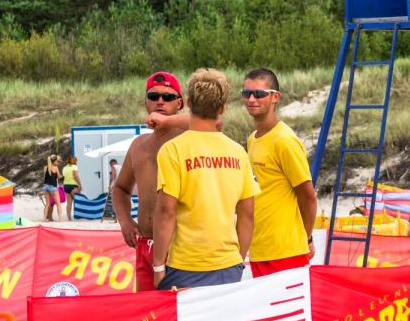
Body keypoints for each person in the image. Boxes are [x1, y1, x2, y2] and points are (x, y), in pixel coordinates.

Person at [153, 68, 260, 290]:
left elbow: (166, 213)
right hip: (228, 264)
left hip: (185, 266)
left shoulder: (172, 150)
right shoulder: (238, 152)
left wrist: (158, 267)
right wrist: (238, 260)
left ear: (188, 102)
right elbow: (247, 214)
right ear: (222, 109)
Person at [112, 72, 190, 292]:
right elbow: (120, 189)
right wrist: (125, 220)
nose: (160, 101)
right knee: (148, 309)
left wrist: (166, 121)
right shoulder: (139, 145)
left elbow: (215, 123)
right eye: (154, 96)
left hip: (180, 246)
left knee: (178, 309)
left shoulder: (190, 136)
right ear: (145, 102)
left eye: (168, 97)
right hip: (145, 244)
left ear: (180, 103)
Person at [241, 69, 317, 275]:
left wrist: (306, 238)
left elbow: (308, 196)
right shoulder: (253, 139)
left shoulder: (285, 141)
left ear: (275, 97)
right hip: (260, 249)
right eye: (246, 93)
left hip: (286, 252)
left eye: (259, 93)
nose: (251, 99)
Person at [42, 154, 64, 222]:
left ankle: (44, 219)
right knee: (58, 204)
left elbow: (44, 177)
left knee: (47, 204)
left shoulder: (45, 167)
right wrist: (62, 177)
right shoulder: (56, 168)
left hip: (45, 186)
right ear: (54, 161)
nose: (58, 163)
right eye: (58, 161)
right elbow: (59, 177)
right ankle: (60, 219)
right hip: (52, 187)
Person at [62, 155, 82, 220]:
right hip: (73, 186)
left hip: (66, 186)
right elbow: (76, 176)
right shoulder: (74, 167)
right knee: (78, 201)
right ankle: (79, 216)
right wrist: (80, 184)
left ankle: (69, 218)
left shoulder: (64, 168)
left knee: (69, 203)